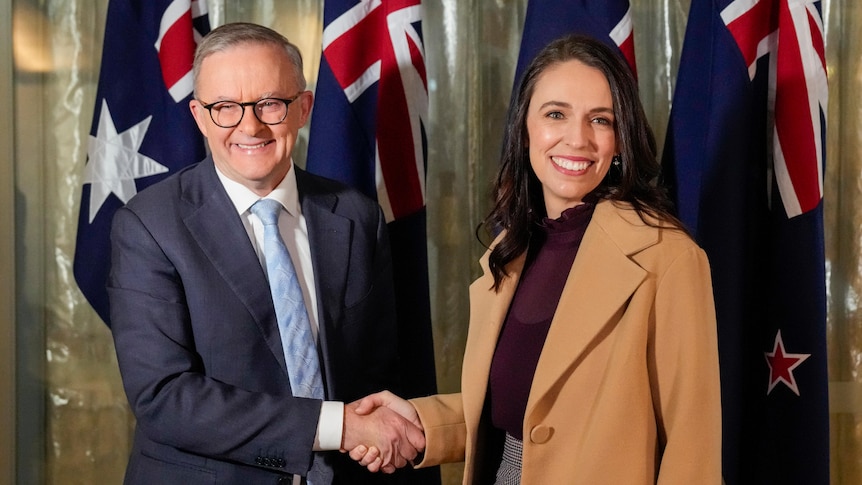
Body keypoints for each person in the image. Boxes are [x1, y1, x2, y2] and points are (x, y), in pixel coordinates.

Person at [349, 34, 722, 484]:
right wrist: (416, 422)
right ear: (525, 130)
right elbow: (518, 404)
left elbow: (692, 446)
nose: (577, 138)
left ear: (621, 139)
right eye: (556, 114)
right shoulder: (509, 250)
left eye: (600, 120)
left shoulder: (668, 257)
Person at [108, 22, 426, 485]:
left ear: (303, 109)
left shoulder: (358, 216)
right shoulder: (149, 226)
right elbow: (164, 396)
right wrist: (340, 426)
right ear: (198, 116)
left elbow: (378, 368)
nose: (250, 126)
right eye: (225, 108)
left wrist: (378, 431)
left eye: (270, 104)